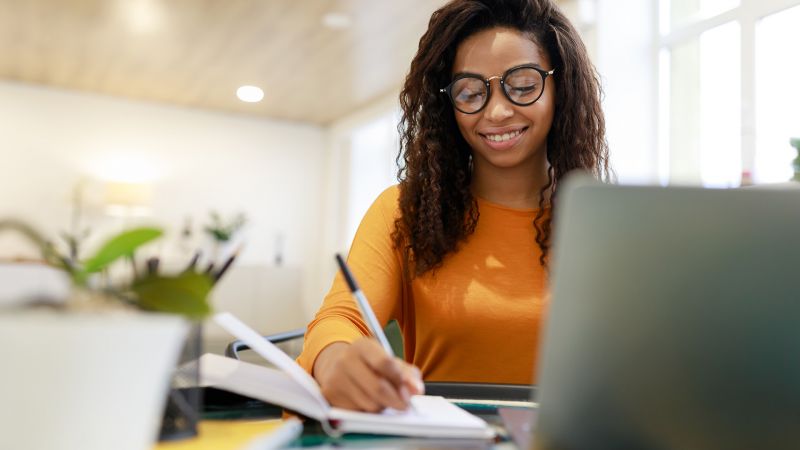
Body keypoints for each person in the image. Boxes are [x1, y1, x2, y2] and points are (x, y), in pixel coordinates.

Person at [296, 0, 610, 412]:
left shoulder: (606, 225)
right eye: (470, 92)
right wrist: (335, 357)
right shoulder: (404, 210)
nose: (497, 111)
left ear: (561, 88)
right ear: (449, 104)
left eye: (523, 85)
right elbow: (340, 318)